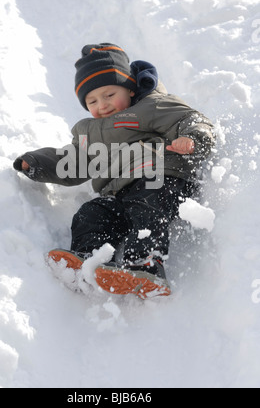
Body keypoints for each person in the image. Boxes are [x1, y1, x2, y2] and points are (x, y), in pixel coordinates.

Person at [14, 43, 215, 299]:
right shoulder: (90, 131)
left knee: (146, 209)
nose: (103, 105)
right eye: (92, 101)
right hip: (118, 192)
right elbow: (73, 161)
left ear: (130, 89)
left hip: (159, 177)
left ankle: (145, 265)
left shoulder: (151, 106)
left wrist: (192, 138)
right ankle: (86, 260)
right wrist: (37, 163)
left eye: (109, 94)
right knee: (92, 213)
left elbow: (190, 119)